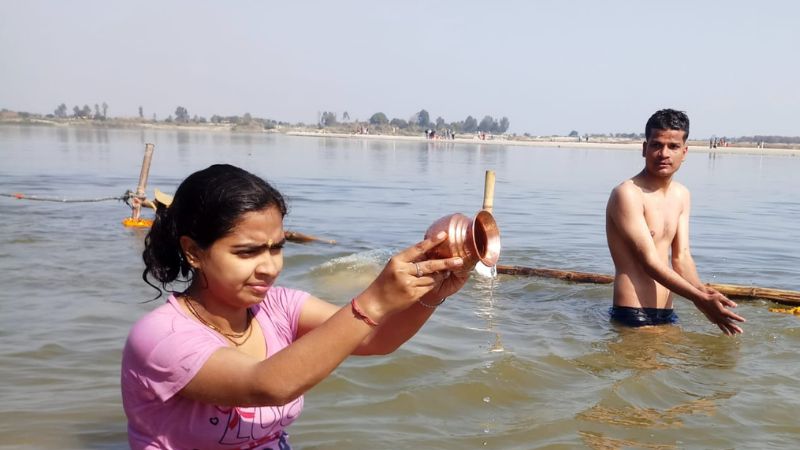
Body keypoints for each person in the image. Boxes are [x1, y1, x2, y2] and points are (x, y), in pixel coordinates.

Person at [121, 164, 467, 449]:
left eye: (276, 248)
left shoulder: (279, 306)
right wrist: (373, 301)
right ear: (194, 252)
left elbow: (375, 340)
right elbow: (268, 385)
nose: (270, 267)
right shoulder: (160, 337)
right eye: (247, 252)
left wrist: (434, 292)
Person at [605, 109, 745, 335]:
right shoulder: (627, 194)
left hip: (668, 312)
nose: (664, 154)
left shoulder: (681, 194)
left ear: (685, 151)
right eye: (656, 145)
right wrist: (698, 298)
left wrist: (705, 294)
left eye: (673, 147)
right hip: (633, 312)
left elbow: (682, 258)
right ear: (644, 148)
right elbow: (649, 261)